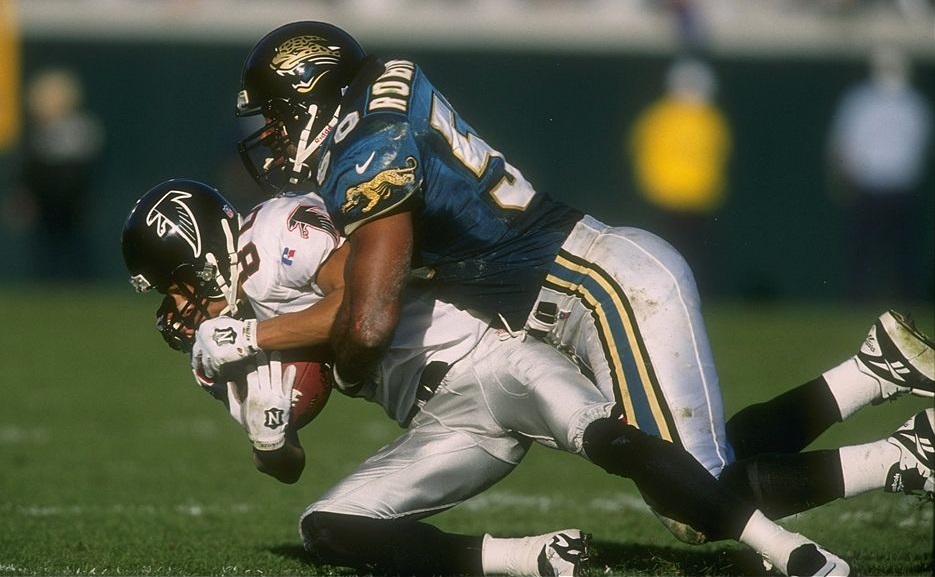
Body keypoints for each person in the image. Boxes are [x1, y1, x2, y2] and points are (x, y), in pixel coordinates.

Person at [223, 21, 934, 575]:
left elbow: (372, 319)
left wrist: (319, 359)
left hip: (591, 289)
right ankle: (869, 371)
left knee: (696, 501)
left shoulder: (367, 155)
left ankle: (902, 456)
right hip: (585, 279)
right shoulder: (384, 84)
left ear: (312, 95)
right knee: (689, 465)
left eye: (279, 119)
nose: (276, 140)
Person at [123, 179, 934, 576]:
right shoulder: (225, 334)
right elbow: (286, 457)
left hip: (495, 354)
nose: (181, 306)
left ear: (200, 245)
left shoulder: (274, 233)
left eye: (178, 283)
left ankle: (793, 550)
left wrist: (252, 333)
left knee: (641, 453)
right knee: (324, 527)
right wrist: (271, 433)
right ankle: (531, 558)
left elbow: (356, 312)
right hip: (437, 420)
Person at [827, 45, 933, 302]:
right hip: (874, 184)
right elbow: (845, 143)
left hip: (895, 185)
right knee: (869, 251)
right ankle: (860, 298)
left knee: (901, 251)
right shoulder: (867, 101)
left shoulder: (910, 103)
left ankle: (903, 299)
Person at [627, 56, 731, 291]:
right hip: (675, 196)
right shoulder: (677, 117)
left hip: (686, 196)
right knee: (676, 249)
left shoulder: (702, 118)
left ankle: (687, 290)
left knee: (684, 251)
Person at [17, 68, 105, 280]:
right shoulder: (39, 132)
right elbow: (32, 171)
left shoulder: (80, 128)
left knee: (75, 247)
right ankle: (48, 286)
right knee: (47, 249)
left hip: (71, 200)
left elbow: (83, 170)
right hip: (47, 201)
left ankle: (82, 284)